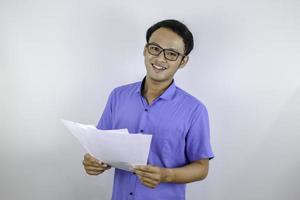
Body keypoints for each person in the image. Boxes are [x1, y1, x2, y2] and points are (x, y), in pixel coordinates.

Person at [82, 19, 214, 200]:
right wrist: (93, 161)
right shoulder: (118, 96)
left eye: (171, 54)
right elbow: (101, 148)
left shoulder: (195, 110)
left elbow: (201, 168)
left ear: (183, 61)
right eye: (155, 49)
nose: (160, 58)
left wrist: (166, 175)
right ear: (145, 50)